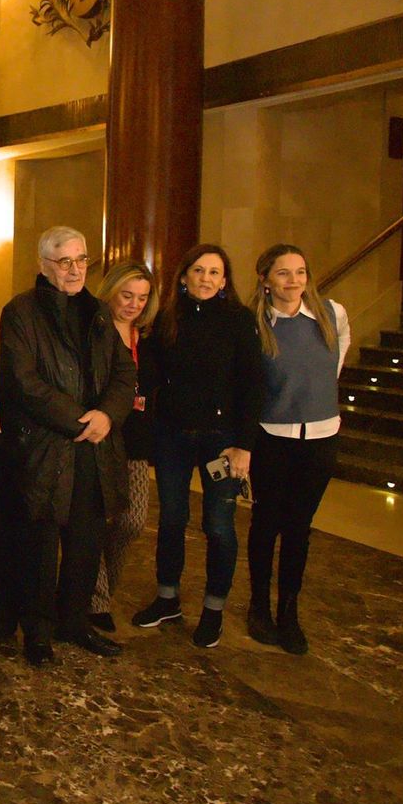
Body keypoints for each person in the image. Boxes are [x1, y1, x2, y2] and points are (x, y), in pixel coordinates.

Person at [0, 227, 133, 665]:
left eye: (81, 260)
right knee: (39, 546)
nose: (75, 270)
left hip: (94, 445)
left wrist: (106, 415)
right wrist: (81, 420)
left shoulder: (98, 311)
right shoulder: (21, 312)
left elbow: (124, 373)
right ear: (43, 265)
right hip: (46, 447)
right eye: (64, 261)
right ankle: (37, 632)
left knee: (86, 541)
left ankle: (74, 621)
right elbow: (23, 381)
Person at [131, 244, 263, 649]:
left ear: (224, 280)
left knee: (219, 525)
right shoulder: (167, 319)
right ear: (184, 276)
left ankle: (213, 610)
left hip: (222, 442)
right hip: (173, 435)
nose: (206, 278)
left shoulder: (239, 320)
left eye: (214, 272)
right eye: (199, 270)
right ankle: (167, 598)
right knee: (171, 518)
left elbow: (252, 385)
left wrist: (244, 445)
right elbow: (147, 375)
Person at [246, 244, 350, 655]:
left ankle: (289, 611)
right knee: (266, 523)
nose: (294, 281)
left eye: (300, 272)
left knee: (299, 528)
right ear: (265, 279)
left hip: (322, 436)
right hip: (272, 436)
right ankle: (259, 606)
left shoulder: (332, 313)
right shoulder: (256, 324)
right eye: (283, 273)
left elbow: (334, 364)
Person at [89, 262, 158, 633]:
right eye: (127, 295)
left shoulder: (148, 338)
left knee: (132, 521)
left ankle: (104, 589)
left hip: (136, 442)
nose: (134, 304)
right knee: (95, 519)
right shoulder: (94, 331)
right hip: (100, 437)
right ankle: (96, 600)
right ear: (111, 292)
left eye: (142, 298)